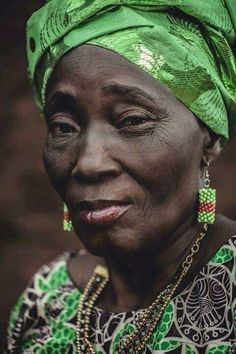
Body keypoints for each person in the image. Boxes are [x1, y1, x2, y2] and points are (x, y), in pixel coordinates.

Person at [7, 1, 236, 353]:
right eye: (63, 127)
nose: (88, 163)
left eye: (132, 120)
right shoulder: (48, 298)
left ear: (209, 138)